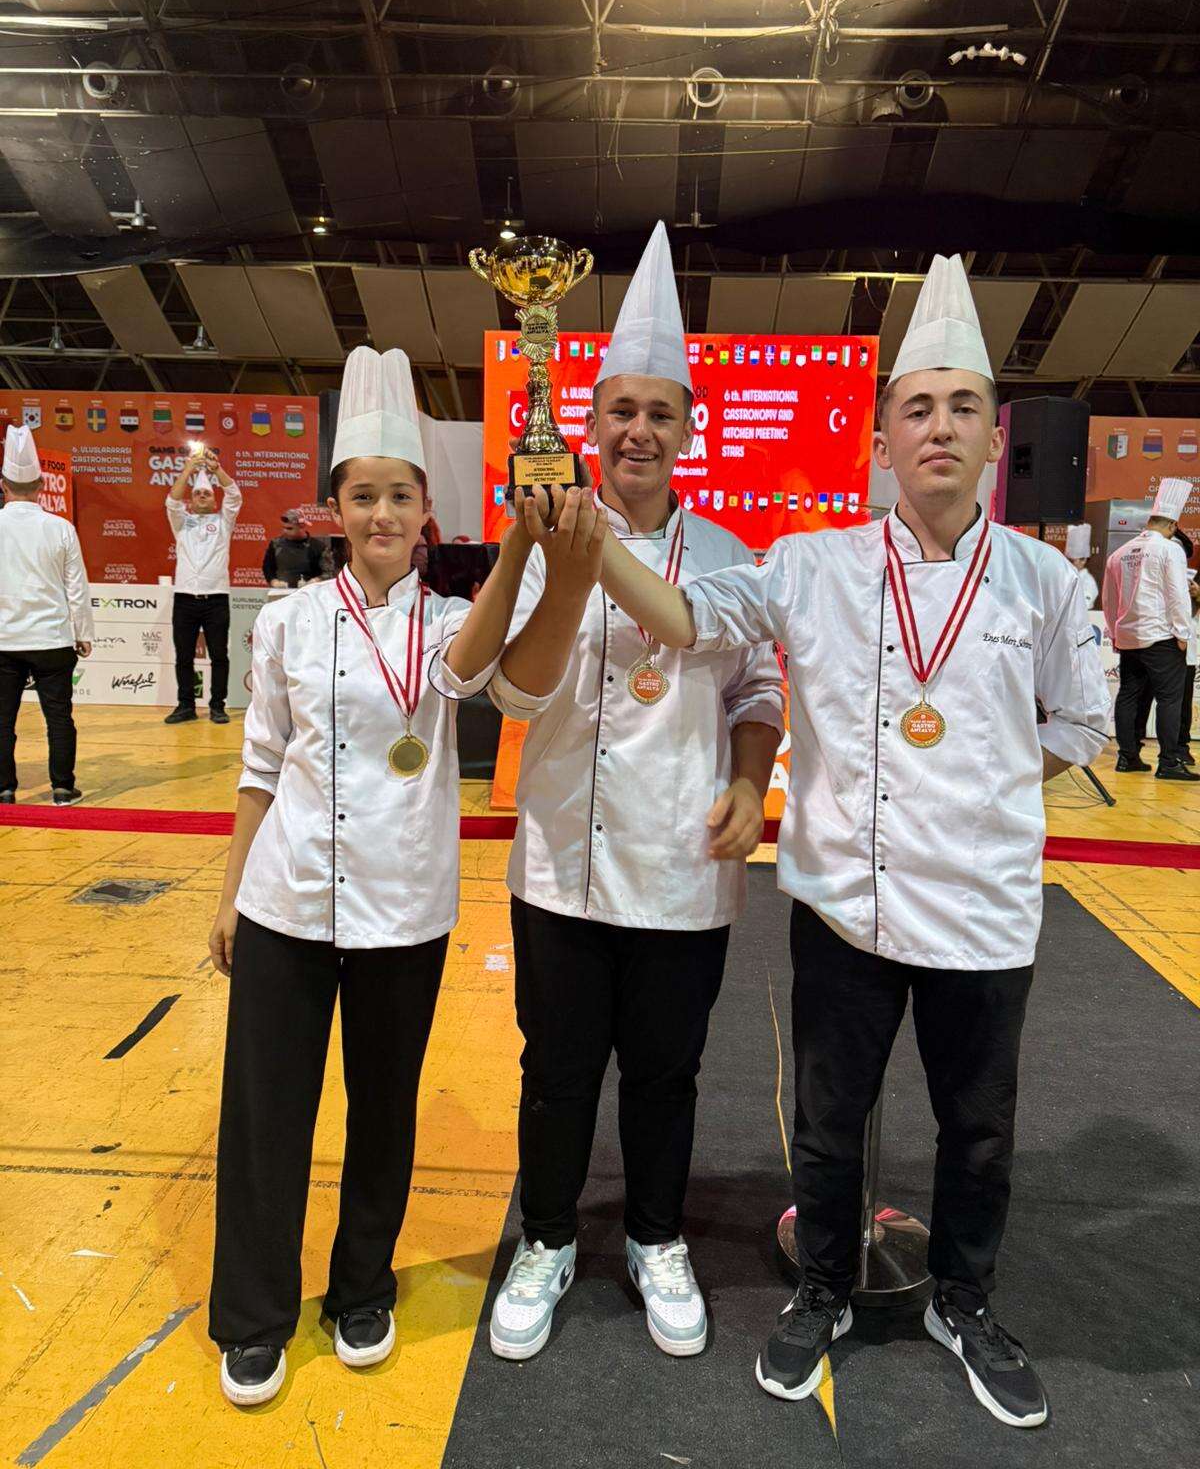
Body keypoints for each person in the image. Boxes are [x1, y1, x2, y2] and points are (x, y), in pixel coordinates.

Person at [597, 254, 1110, 1428]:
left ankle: (964, 1300)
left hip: (984, 904)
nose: (939, 427)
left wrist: (974, 783)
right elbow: (687, 620)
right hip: (846, 902)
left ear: (994, 438)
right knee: (829, 1121)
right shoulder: (811, 562)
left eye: (962, 407)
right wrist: (592, 546)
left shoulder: (1042, 581)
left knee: (978, 1130)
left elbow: (1079, 725)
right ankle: (823, 1284)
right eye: (917, 407)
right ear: (882, 440)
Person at [206, 346, 541, 1408]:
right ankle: (254, 1316)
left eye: (400, 495)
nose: (382, 513)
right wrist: (227, 895)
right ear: (335, 507)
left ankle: (362, 1288)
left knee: (384, 1108)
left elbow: (483, 668)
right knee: (266, 1116)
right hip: (288, 899)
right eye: (364, 495)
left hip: (404, 906)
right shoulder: (292, 623)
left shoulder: (447, 622)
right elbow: (261, 767)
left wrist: (526, 541)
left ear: (425, 511)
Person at [485, 221, 785, 1364]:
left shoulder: (727, 553)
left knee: (667, 1069)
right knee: (554, 1072)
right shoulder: (542, 530)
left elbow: (757, 686)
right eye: (622, 410)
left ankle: (659, 1238)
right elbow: (507, 687)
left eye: (662, 412)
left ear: (691, 430)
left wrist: (752, 786)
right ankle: (548, 1239)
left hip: (678, 865)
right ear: (589, 420)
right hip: (561, 857)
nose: (639, 431)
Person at [0, 425, 94, 806]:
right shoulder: (61, 528)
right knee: (59, 718)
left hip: (3, 640)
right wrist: (83, 632)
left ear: (3, 484)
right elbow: (77, 586)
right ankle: (61, 787)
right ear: (41, 485)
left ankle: (4, 789)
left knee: (2, 721)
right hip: (52, 638)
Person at [1102, 478, 1196, 781]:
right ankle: (1169, 762)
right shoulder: (1169, 550)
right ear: (1172, 525)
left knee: (1128, 695)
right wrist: (1183, 634)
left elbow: (1109, 599)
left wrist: (1115, 634)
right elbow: (1177, 595)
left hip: (1129, 637)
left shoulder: (1120, 553)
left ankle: (1127, 758)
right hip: (1161, 636)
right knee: (1170, 699)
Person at [164, 448, 242, 726]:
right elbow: (171, 503)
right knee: (184, 655)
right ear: (192, 499)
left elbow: (234, 495)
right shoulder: (181, 523)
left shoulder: (224, 522)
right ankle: (185, 705)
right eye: (197, 494)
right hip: (185, 597)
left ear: (213, 498)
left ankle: (217, 706)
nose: (202, 497)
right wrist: (188, 469)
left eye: (207, 493)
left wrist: (215, 470)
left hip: (216, 597)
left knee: (219, 655)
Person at [262, 509, 328, 589]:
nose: (285, 531)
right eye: (284, 528)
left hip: (310, 593)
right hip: (281, 593)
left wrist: (315, 581)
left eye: (290, 528)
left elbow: (329, 572)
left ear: (302, 527)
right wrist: (274, 582)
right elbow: (267, 567)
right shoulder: (276, 544)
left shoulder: (318, 547)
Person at [1064, 523, 1099, 609]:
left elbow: (1084, 605)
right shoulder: (1066, 576)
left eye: (1072, 561)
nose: (1069, 564)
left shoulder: (1088, 581)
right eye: (1068, 560)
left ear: (1083, 560)